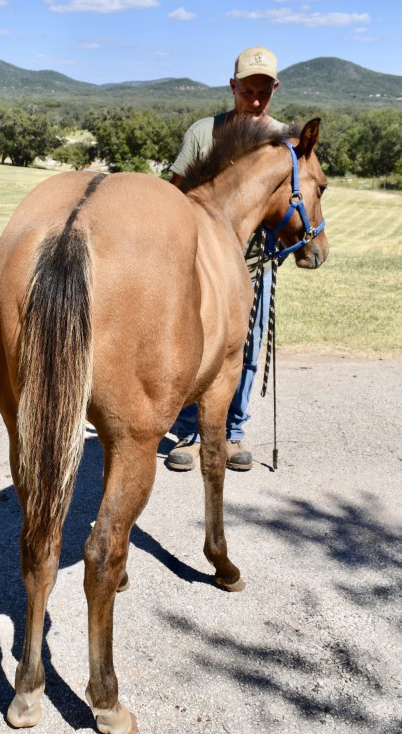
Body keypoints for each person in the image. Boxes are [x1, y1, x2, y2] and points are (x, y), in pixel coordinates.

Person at [166, 46, 289, 473]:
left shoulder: (281, 142)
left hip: (255, 261)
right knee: (192, 338)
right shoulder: (204, 133)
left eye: (263, 93)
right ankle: (190, 430)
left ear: (274, 90)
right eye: (247, 91)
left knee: (248, 343)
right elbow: (174, 192)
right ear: (233, 86)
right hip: (200, 260)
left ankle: (232, 431)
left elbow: (291, 200)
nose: (255, 101)